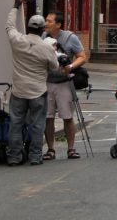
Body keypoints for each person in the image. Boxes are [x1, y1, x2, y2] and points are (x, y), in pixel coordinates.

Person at [4, 0, 59, 165]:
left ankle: (14, 156)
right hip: (37, 91)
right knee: (37, 125)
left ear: (27, 27)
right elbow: (54, 67)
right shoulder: (46, 48)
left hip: (19, 90)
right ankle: (35, 156)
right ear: (43, 29)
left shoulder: (17, 40)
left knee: (16, 124)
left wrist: (15, 6)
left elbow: (9, 26)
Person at [43, 11, 87, 160]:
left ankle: (71, 149)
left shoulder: (70, 38)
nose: (46, 23)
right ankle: (50, 149)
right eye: (46, 21)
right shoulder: (43, 38)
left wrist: (71, 67)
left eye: (49, 21)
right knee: (47, 117)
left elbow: (82, 56)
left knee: (67, 117)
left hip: (65, 83)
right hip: (47, 82)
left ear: (58, 24)